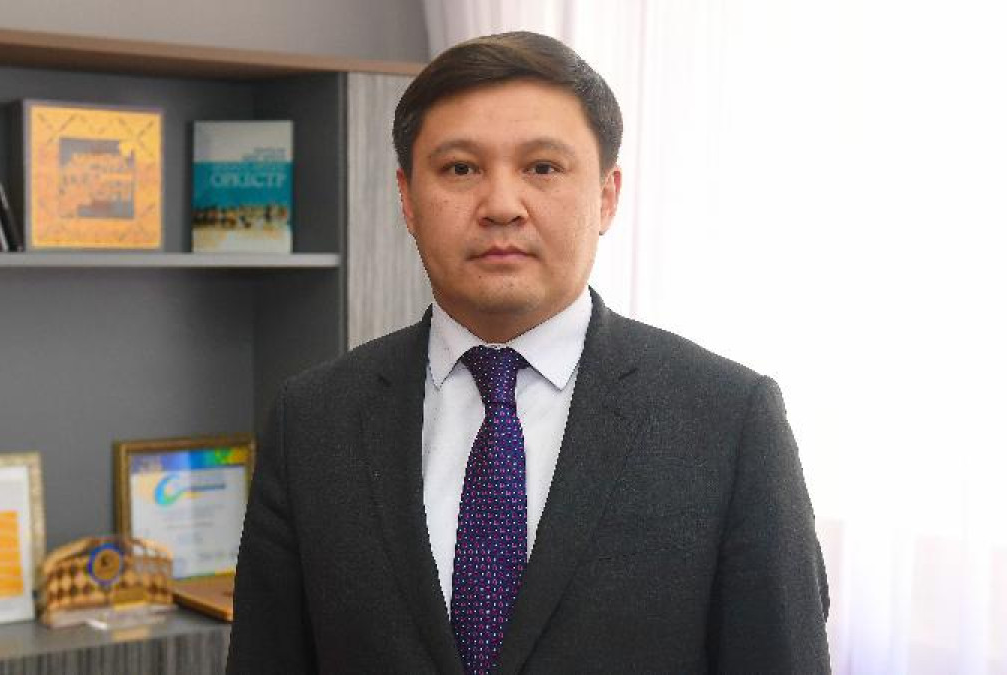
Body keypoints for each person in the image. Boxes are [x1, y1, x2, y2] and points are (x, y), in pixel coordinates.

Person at [227, 31, 829, 674]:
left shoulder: (728, 420)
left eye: (543, 168)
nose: (501, 206)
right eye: (461, 169)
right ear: (407, 198)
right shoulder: (313, 419)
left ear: (606, 196)